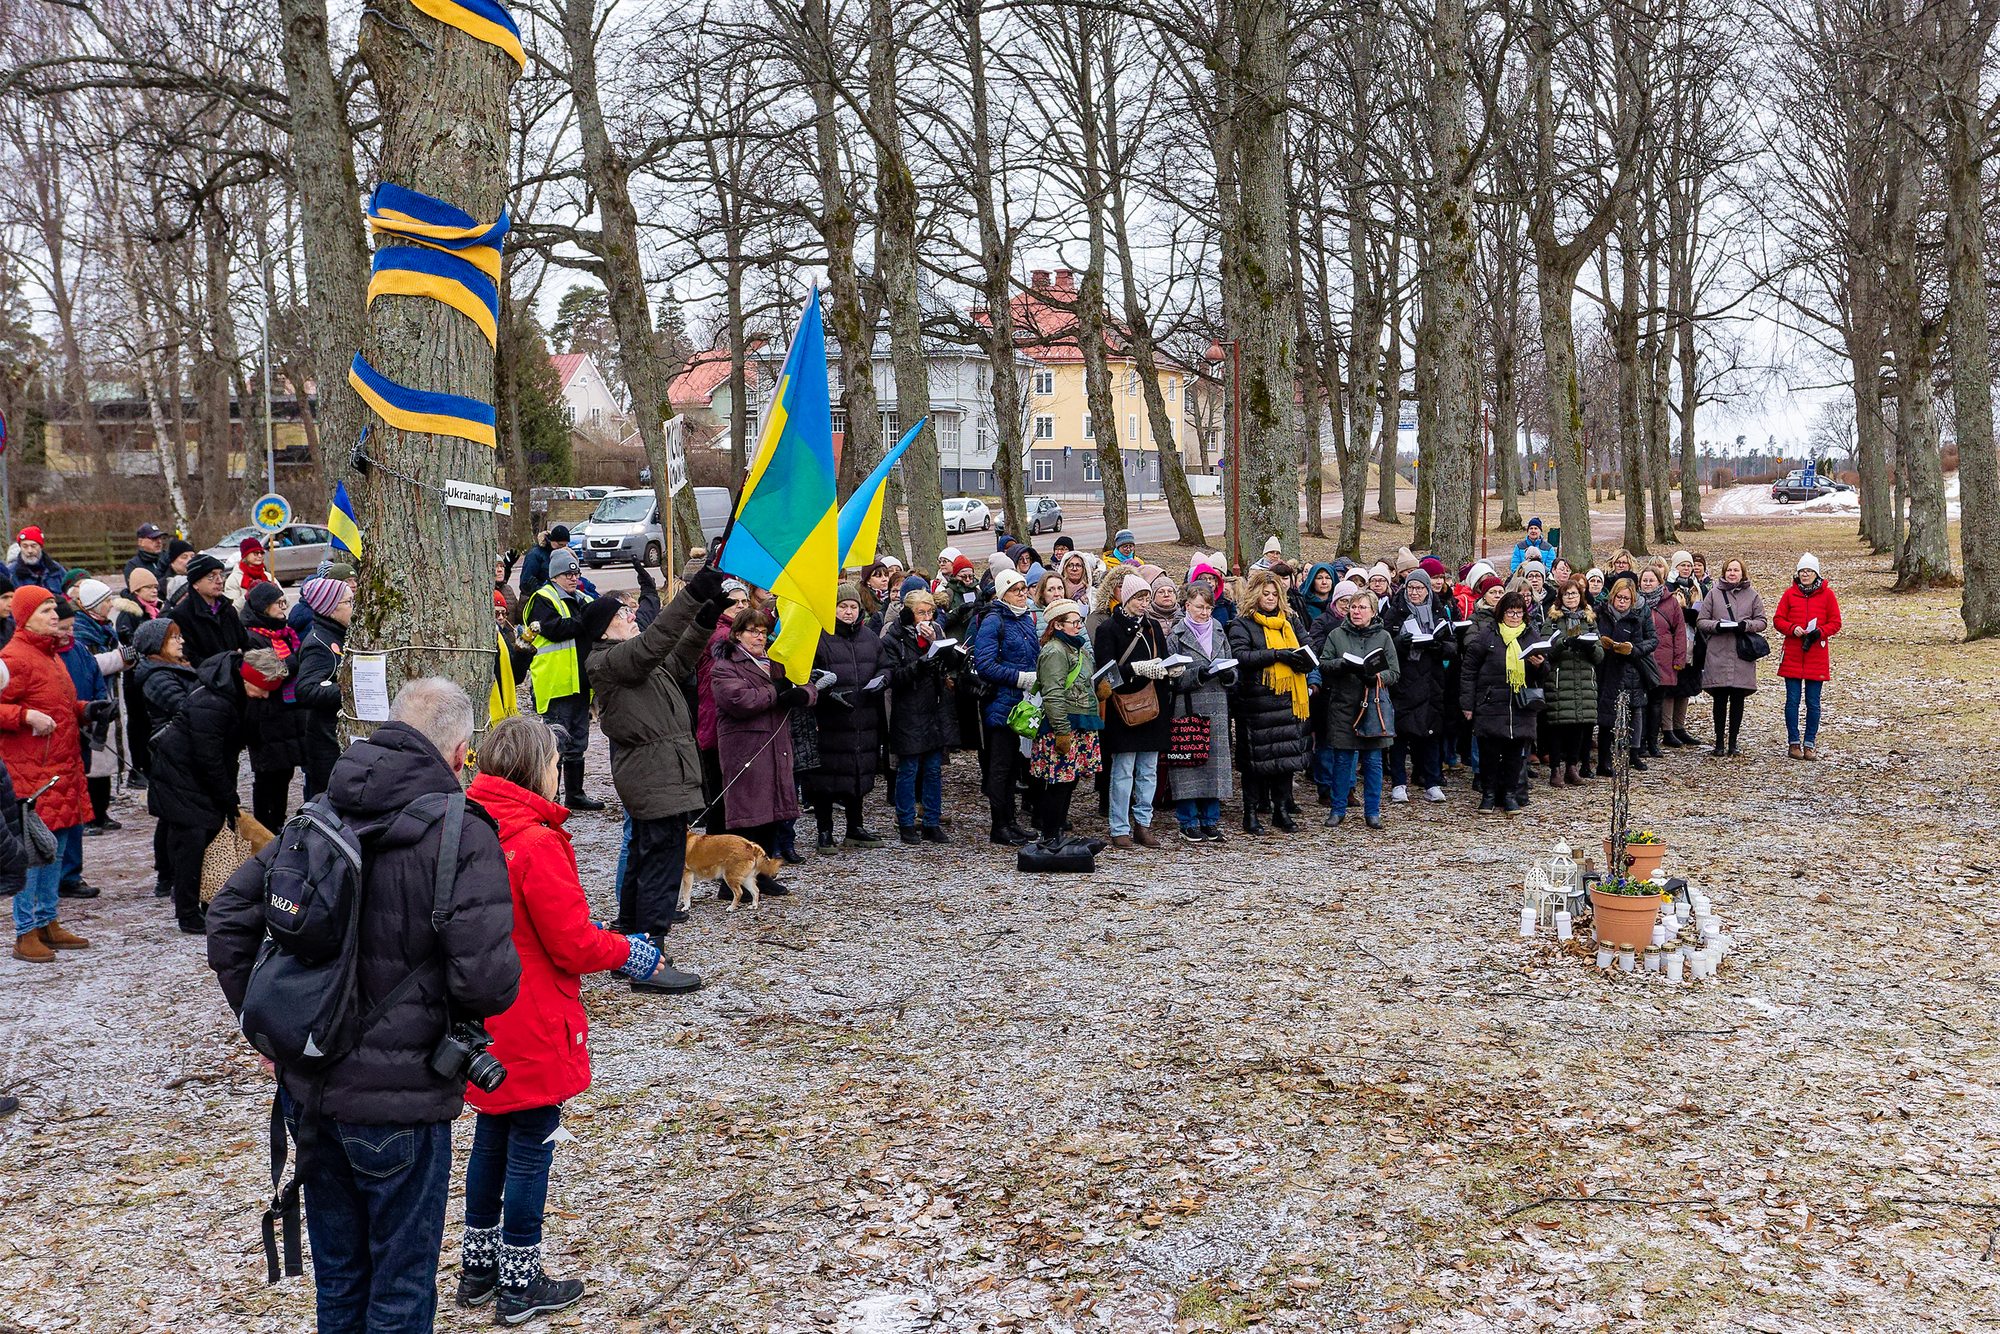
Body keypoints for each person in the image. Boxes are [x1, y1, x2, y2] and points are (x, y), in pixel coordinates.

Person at [207, 679, 521, 1334]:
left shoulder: (321, 807)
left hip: (311, 1087)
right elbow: (487, 985)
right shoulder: (463, 834)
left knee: (343, 1278)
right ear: (462, 752)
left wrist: (268, 1030)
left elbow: (230, 917)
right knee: (401, 1288)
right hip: (401, 1098)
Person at [451, 714, 668, 1319]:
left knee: (492, 1136)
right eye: (554, 763)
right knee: (531, 1144)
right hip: (533, 1015)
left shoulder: (469, 824)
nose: (558, 774)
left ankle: (479, 1269)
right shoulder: (535, 841)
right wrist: (632, 950)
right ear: (534, 768)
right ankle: (519, 1281)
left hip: (481, 1014)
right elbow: (570, 942)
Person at [148, 647, 287, 933]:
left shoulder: (236, 694)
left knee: (210, 836)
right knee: (193, 841)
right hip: (181, 775)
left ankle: (208, 903)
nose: (265, 696)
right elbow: (208, 756)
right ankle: (187, 913)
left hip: (198, 775)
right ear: (249, 678)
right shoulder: (214, 701)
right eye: (263, 689)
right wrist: (226, 796)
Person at [2, 588, 107, 958]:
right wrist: (24, 716)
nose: (54, 615)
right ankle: (24, 931)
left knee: (56, 850)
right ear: (25, 616)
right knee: (34, 855)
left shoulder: (51, 655)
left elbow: (59, 705)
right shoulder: (13, 657)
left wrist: (88, 709)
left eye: (54, 609)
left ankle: (47, 920)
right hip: (30, 773)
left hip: (62, 768)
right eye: (46, 610)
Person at [710, 609, 814, 861]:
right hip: (746, 747)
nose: (759, 637)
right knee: (748, 814)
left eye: (763, 632)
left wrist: (805, 694)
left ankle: (762, 874)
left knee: (772, 812)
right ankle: (734, 878)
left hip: (776, 745)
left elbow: (803, 679)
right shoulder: (725, 665)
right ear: (737, 634)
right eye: (753, 632)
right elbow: (739, 700)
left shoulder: (775, 659)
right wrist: (775, 691)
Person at [1227, 569, 1313, 834]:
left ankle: (1282, 810)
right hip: (1257, 702)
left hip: (1288, 701)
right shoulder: (1242, 623)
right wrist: (1276, 655)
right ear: (1255, 594)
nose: (1271, 598)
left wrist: (1300, 658)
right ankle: (1250, 812)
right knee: (1255, 763)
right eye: (1266, 594)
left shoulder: (1290, 620)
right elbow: (1241, 656)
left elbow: (1308, 644)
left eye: (1275, 594)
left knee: (1285, 761)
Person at [1094, 573, 1175, 850]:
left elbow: (1162, 661)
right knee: (1124, 770)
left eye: (1146, 598)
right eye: (1139, 598)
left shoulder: (1152, 627)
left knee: (1149, 770)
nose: (1144, 603)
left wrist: (1171, 669)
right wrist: (1135, 669)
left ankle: (1143, 824)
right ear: (1126, 599)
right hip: (1122, 707)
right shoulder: (1108, 628)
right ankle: (1119, 826)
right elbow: (1105, 674)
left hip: (1152, 706)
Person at [800, 584, 885, 851]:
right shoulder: (819, 637)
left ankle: (855, 827)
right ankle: (824, 831)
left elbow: (885, 665)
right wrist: (826, 695)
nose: (848, 612)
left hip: (863, 716)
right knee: (825, 777)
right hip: (828, 720)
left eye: (853, 606)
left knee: (858, 772)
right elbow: (807, 674)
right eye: (842, 606)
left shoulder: (870, 637)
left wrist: (883, 681)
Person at [523, 548, 605, 810]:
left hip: (580, 684)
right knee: (555, 745)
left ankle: (575, 795)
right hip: (556, 685)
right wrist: (585, 621)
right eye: (567, 573)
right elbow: (555, 629)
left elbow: (599, 623)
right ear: (554, 576)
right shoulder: (542, 599)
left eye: (575, 572)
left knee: (578, 743)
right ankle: (552, 797)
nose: (572, 577)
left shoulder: (582, 598)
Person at [878, 586, 959, 842]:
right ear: (909, 614)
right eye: (921, 613)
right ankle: (905, 821)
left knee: (934, 769)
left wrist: (941, 648)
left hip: (934, 707)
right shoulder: (893, 639)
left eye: (930, 612)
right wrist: (919, 665)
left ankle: (932, 821)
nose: (926, 618)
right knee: (909, 768)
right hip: (909, 710)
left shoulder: (936, 633)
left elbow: (948, 665)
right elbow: (893, 676)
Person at [1460, 590, 1551, 815]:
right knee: (1489, 753)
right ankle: (1488, 795)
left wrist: (1539, 665)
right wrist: (1468, 704)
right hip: (1491, 704)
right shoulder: (1487, 636)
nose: (1514, 616)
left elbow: (1544, 673)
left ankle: (1510, 795)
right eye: (1510, 612)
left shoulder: (1530, 636)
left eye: (1519, 612)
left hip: (1520, 705)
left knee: (1514, 755)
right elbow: (1469, 671)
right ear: (1502, 612)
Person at [969, 568, 1042, 846]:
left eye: (1024, 589)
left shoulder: (1025, 619)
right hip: (1001, 704)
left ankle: (1011, 822)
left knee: (1014, 767)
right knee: (1000, 767)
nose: (1022, 594)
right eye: (1016, 590)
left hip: (1023, 704)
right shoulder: (993, 621)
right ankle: (999, 825)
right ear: (1002, 593)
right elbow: (985, 665)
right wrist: (1019, 678)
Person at [1318, 590, 1400, 828]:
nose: (1356, 611)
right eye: (1353, 607)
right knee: (1343, 759)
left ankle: (1372, 811)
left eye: (1362, 607)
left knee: (1373, 761)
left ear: (1373, 612)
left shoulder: (1383, 637)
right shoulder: (1336, 634)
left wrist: (1377, 678)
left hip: (1373, 705)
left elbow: (1394, 672)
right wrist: (1342, 664)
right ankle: (1337, 809)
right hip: (1343, 704)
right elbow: (1323, 664)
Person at [1163, 582, 1234, 841]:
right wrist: (1197, 675)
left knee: (1214, 766)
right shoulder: (1176, 636)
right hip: (1187, 708)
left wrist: (1229, 674)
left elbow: (1231, 664)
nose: (1205, 613)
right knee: (1188, 763)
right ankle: (1188, 820)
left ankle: (1210, 819)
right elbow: (1169, 677)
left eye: (1209, 608)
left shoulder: (1219, 631)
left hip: (1216, 707)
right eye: (1200, 607)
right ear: (1187, 606)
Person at [1027, 598, 1101, 844]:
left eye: (1079, 621)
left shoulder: (1076, 649)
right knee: (1059, 783)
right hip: (1063, 726)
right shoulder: (1054, 651)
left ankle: (1057, 831)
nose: (1079, 626)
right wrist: (1061, 732)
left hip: (1079, 722)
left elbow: (1082, 683)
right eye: (1074, 622)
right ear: (1058, 625)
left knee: (1070, 781)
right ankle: (1050, 835)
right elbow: (1053, 694)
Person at [1382, 567, 1450, 804]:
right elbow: (1384, 645)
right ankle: (1399, 782)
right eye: (1411, 587)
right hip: (1403, 681)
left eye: (1420, 588)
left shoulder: (1439, 612)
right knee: (1400, 735)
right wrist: (1400, 643)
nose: (1415, 592)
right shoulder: (1394, 613)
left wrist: (1439, 647)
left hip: (1431, 680)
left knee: (1430, 734)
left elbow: (1452, 643)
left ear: (1427, 590)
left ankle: (1432, 781)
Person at [694, 580, 752, 835]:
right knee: (721, 791)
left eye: (744, 602)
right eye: (733, 602)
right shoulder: (718, 633)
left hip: (736, 718)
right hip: (715, 718)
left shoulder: (745, 629)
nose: (739, 606)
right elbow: (737, 648)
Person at [1695, 557, 1766, 758]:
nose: (1732, 574)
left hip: (1741, 653)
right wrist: (1716, 626)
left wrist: (1747, 626)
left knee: (1737, 699)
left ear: (1742, 573)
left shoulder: (1752, 595)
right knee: (1719, 699)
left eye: (1736, 570)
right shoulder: (1713, 594)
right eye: (1729, 570)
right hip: (1718, 651)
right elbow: (1701, 620)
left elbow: (1762, 621)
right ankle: (1718, 741)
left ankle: (1733, 741)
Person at [292, 578, 354, 799]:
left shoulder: (339, 634)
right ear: (330, 609)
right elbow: (306, 690)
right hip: (327, 746)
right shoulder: (319, 643)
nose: (353, 608)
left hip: (335, 740)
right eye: (348, 602)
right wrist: (349, 692)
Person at [1774, 552, 1839, 760]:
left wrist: (1820, 631)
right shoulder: (1789, 595)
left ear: (1816, 573)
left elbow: (1836, 622)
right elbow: (1778, 619)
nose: (1805, 574)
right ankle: (1793, 742)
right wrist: (1792, 629)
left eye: (1809, 571)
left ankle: (1809, 743)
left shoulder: (1828, 595)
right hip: (1793, 653)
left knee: (1813, 702)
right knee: (1792, 701)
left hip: (1816, 655)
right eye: (1802, 571)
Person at [1542, 578, 1604, 786]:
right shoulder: (1552, 620)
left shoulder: (1589, 620)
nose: (1571, 598)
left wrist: (1589, 647)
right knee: (1557, 726)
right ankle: (1554, 770)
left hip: (1583, 679)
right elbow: (1545, 650)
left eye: (1575, 594)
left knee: (1579, 725)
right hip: (1560, 679)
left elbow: (1600, 655)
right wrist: (1563, 643)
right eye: (1567, 594)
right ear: (1560, 597)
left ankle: (1572, 767)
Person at [1595, 572, 1657, 775]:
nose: (1622, 602)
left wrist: (1631, 650)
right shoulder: (1600, 613)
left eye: (1626, 599)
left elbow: (1646, 642)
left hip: (1629, 668)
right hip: (1605, 669)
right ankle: (1602, 761)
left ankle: (1633, 752)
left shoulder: (1635, 620)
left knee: (1634, 711)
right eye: (1619, 598)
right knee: (1606, 718)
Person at [1637, 565, 1688, 756]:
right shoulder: (1635, 602)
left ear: (1660, 582)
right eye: (1644, 580)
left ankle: (1653, 743)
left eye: (1651, 580)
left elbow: (1680, 632)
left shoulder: (1671, 603)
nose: (1648, 584)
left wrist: (1679, 659)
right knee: (1641, 703)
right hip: (1641, 659)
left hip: (1663, 660)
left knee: (1657, 703)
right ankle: (1639, 743)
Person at [167, 553, 252, 667]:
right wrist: (226, 664)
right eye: (211, 577)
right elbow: (190, 658)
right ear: (196, 583)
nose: (220, 581)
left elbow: (245, 643)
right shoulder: (181, 616)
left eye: (220, 575)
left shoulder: (228, 608)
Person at [516, 525, 569, 607]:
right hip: (539, 600)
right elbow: (525, 582)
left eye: (565, 545)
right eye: (560, 545)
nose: (562, 548)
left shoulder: (562, 554)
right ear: (552, 541)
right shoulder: (535, 555)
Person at [225, 538, 276, 610]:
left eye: (261, 553)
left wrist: (277, 593)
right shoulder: (234, 579)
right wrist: (247, 596)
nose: (260, 556)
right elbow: (232, 610)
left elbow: (286, 603)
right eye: (255, 553)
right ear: (245, 555)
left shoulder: (268, 576)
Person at [10, 527, 66, 593]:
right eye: (25, 546)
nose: (29, 551)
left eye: (33, 546)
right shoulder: (11, 574)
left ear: (40, 547)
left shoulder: (56, 570)